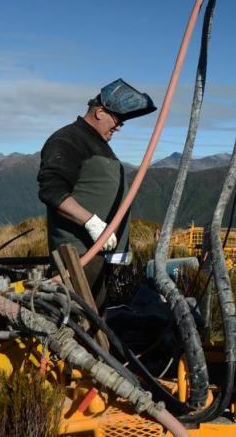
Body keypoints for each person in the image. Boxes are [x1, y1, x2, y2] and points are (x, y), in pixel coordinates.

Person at [37, 78, 156, 310]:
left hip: (98, 253)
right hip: (79, 255)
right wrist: (91, 222)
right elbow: (51, 191)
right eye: (117, 119)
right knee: (77, 322)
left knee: (94, 319)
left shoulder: (96, 141)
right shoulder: (67, 139)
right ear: (100, 112)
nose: (119, 126)